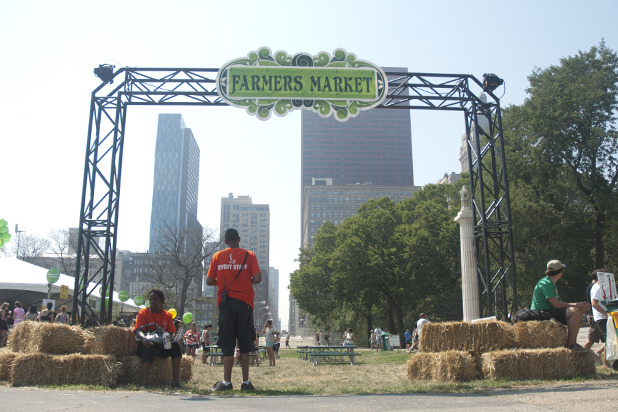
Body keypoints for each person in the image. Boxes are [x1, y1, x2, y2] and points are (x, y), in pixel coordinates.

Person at [206, 228, 261, 391]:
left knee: (228, 343)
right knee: (245, 343)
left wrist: (223, 282)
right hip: (244, 303)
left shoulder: (218, 256)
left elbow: (209, 280)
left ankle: (226, 382)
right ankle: (245, 382)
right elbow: (258, 278)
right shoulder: (249, 255)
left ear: (226, 241)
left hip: (226, 303)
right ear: (239, 239)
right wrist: (245, 280)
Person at [530, 259, 591, 353]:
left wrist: (577, 304)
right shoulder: (547, 284)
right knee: (575, 311)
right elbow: (556, 304)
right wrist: (577, 305)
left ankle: (572, 344)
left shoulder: (549, 283)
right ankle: (571, 345)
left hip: (546, 311)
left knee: (576, 310)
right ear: (560, 272)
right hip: (541, 313)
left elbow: (559, 303)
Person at [133, 289, 182, 389]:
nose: (152, 302)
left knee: (176, 347)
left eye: (155, 299)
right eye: (151, 300)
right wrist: (144, 339)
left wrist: (170, 339)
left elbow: (171, 332)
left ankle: (176, 382)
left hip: (162, 345)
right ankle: (145, 383)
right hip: (146, 343)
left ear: (162, 302)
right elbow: (138, 330)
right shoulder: (143, 312)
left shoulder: (167, 315)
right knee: (149, 347)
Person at [583, 269, 612, 367]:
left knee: (609, 339)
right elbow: (594, 303)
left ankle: (599, 355)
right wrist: (606, 313)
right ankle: (605, 362)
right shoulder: (596, 287)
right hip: (599, 317)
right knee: (604, 339)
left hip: (604, 316)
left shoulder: (605, 287)